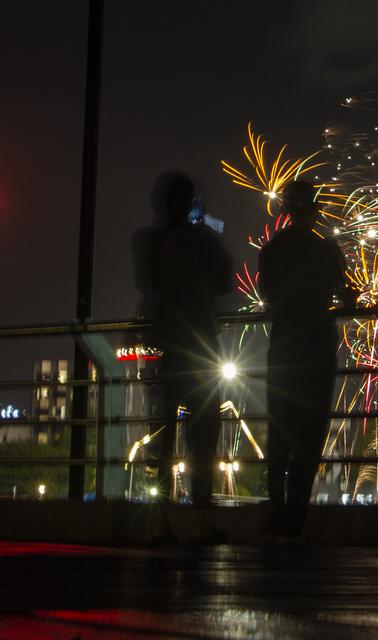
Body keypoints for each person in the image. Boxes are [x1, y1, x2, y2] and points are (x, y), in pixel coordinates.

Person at [259, 179, 354, 541]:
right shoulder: (326, 250)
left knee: (279, 430)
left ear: (285, 211)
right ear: (314, 211)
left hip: (283, 346)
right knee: (310, 435)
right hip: (316, 347)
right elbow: (347, 296)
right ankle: (295, 518)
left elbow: (269, 295)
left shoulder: (271, 251)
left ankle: (276, 512)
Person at [137, 171, 232, 516]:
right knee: (203, 432)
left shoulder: (152, 242)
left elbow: (151, 282)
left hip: (170, 342)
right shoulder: (206, 244)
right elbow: (225, 281)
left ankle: (161, 516)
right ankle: (201, 511)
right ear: (191, 204)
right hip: (204, 343)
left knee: (164, 431)